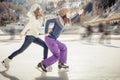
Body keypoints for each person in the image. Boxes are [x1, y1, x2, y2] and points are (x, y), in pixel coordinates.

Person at [36, 4, 84, 72]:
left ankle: (61, 64)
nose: (69, 14)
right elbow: (47, 21)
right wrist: (46, 32)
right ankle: (43, 64)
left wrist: (78, 14)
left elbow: (72, 20)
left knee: (63, 47)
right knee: (56, 55)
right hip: (50, 39)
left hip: (54, 39)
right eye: (68, 13)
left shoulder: (64, 21)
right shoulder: (58, 19)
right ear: (64, 13)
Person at [1, 4, 48, 70]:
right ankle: (7, 60)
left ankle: (44, 63)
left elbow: (39, 28)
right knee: (21, 50)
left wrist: (45, 32)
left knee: (46, 46)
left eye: (40, 9)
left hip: (35, 36)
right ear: (36, 10)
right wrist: (22, 32)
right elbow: (29, 25)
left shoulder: (40, 17)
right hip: (30, 36)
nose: (40, 10)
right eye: (39, 9)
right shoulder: (33, 17)